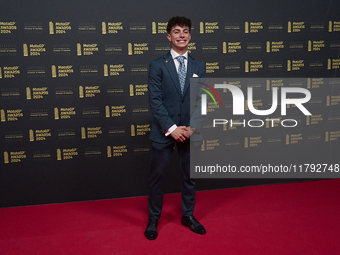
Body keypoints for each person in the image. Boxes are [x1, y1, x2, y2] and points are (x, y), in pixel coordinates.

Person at [145, 16, 206, 240]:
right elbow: (155, 100)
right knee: (157, 177)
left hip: (190, 132)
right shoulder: (157, 65)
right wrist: (172, 128)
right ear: (169, 36)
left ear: (190, 36)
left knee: (189, 177)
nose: (182, 35)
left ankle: (187, 215)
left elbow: (203, 100)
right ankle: (153, 219)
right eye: (177, 31)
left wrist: (192, 128)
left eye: (186, 31)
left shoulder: (199, 65)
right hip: (164, 131)